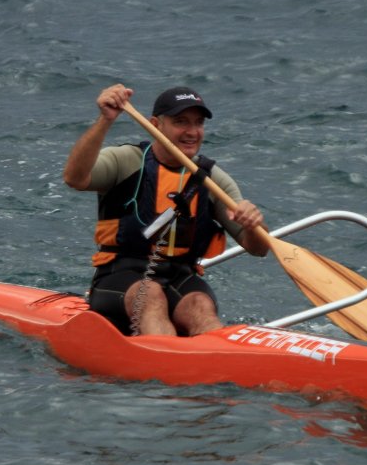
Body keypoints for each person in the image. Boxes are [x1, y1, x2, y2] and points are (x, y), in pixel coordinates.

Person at [63, 84, 268, 337]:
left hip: (179, 278)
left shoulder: (214, 181)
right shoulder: (126, 160)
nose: (192, 132)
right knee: (150, 295)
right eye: (181, 122)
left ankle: (216, 367)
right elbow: (75, 178)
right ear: (155, 124)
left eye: (198, 123)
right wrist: (105, 121)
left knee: (200, 306)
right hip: (118, 276)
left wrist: (254, 225)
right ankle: (165, 368)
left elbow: (258, 249)